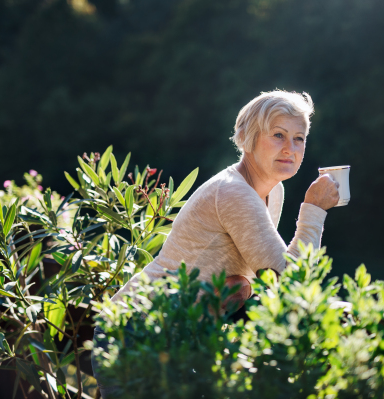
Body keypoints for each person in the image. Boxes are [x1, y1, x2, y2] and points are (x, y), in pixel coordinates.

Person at [92, 90, 340, 398]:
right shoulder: (235, 193)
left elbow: (267, 274)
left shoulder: (271, 192)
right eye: (279, 135)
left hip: (175, 336)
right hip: (136, 333)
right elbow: (293, 282)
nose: (290, 148)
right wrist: (314, 212)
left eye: (299, 138)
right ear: (249, 138)